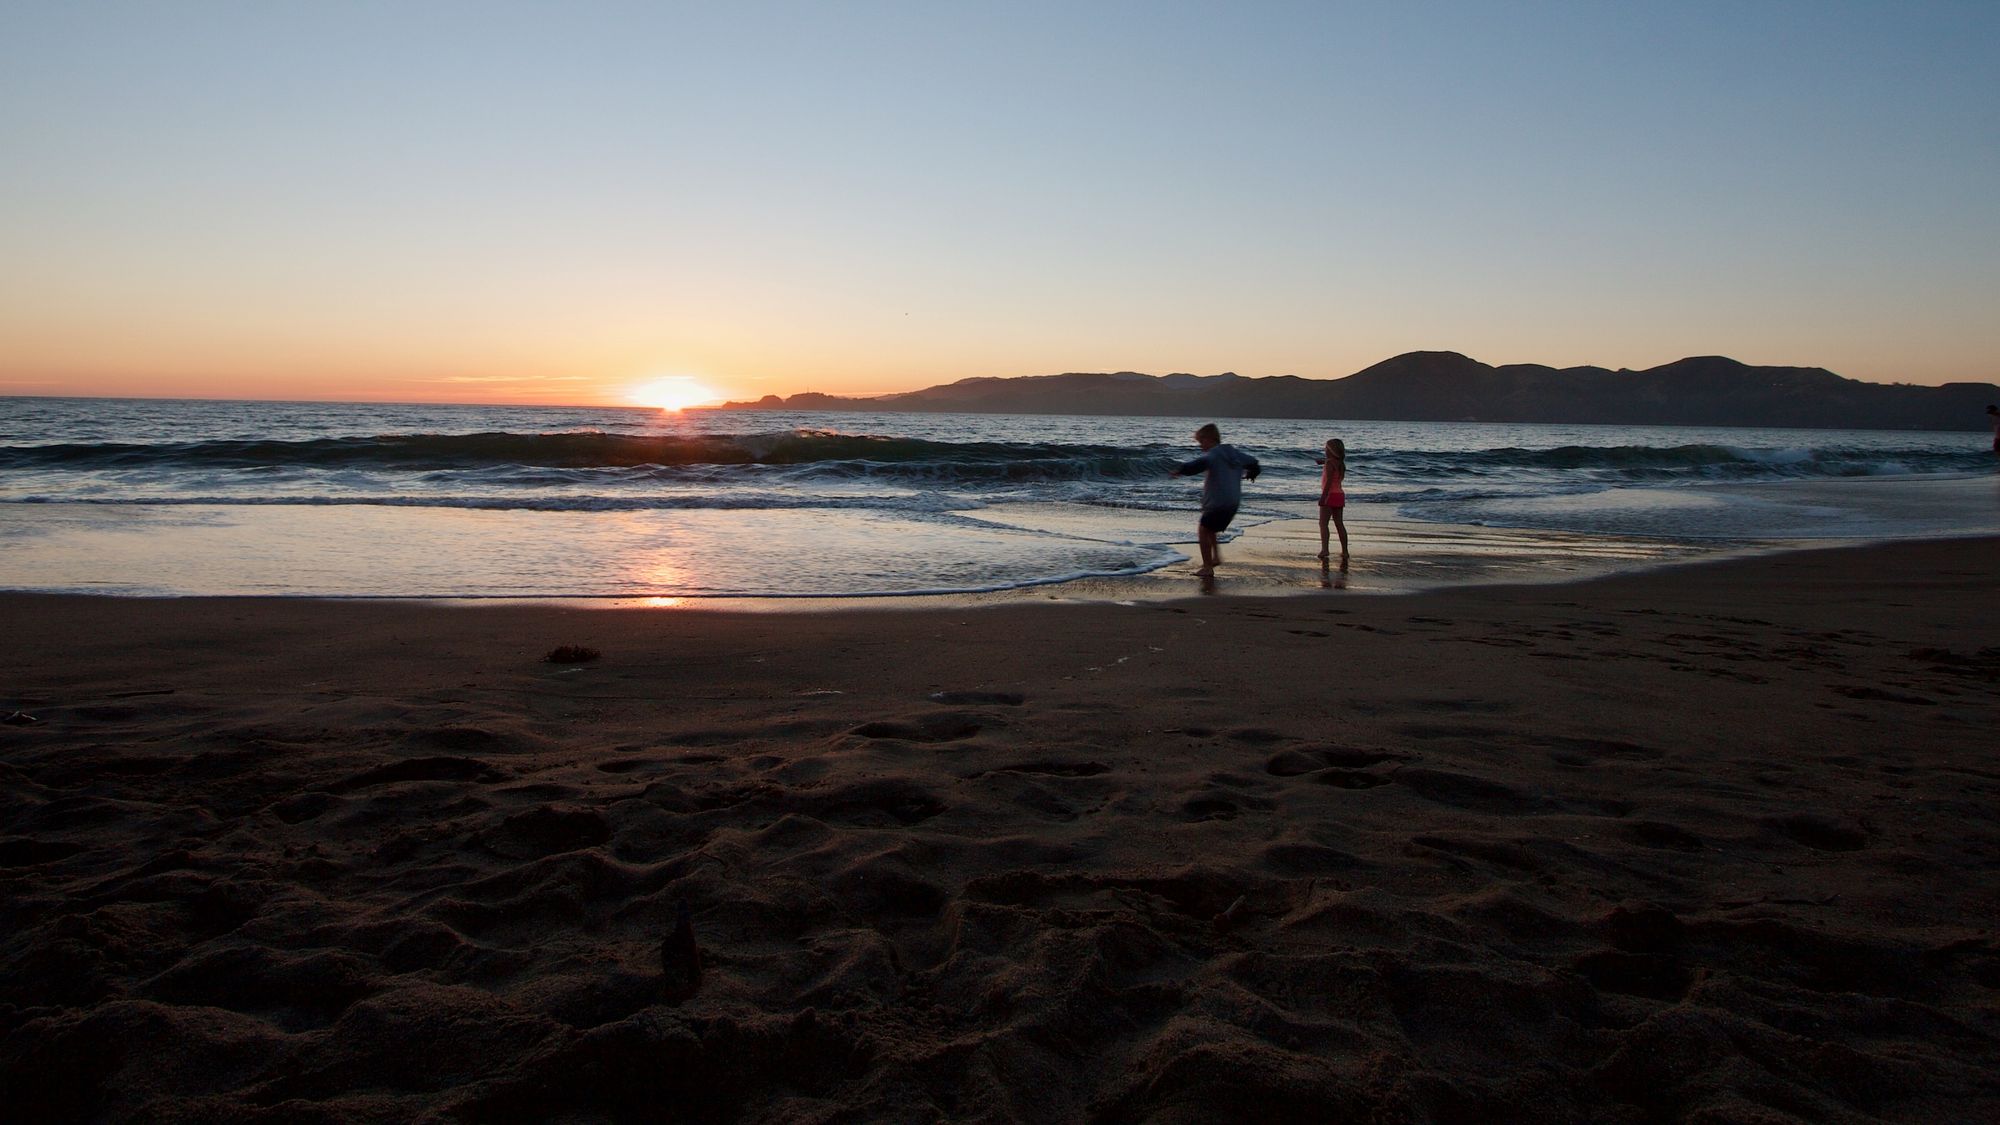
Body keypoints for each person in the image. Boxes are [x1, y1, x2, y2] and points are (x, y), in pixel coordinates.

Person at [1170, 423, 1259, 577]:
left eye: (1201, 442)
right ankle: (1215, 557)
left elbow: (1198, 465)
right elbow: (1253, 462)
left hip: (1218, 502)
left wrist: (1181, 470)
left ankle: (1207, 567)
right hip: (1232, 503)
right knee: (1210, 528)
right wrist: (1252, 473)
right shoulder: (1235, 454)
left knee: (1203, 529)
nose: (1200, 446)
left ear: (1210, 439)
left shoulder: (1214, 454)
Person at [1315, 437, 1349, 565]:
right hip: (1339, 495)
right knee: (1339, 524)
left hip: (1329, 495)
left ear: (1330, 450)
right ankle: (1345, 551)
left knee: (1323, 523)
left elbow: (1328, 482)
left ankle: (1325, 549)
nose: (1324, 450)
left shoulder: (1329, 463)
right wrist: (1323, 462)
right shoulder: (1340, 463)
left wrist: (1323, 497)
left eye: (1326, 448)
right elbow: (1331, 464)